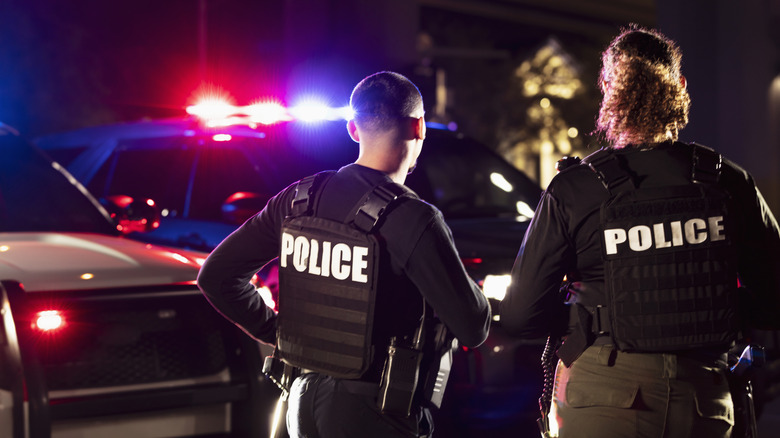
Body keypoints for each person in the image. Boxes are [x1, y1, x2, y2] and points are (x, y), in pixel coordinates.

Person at [501, 25, 780, 438]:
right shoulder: (727, 181)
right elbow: (774, 297)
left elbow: (519, 314)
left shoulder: (576, 189)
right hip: (704, 397)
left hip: (602, 395)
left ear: (609, 93)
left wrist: (590, 317)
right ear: (680, 87)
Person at [197, 71, 490, 438]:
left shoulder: (299, 198)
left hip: (300, 403)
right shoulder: (414, 217)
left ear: (353, 129)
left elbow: (216, 276)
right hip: (376, 411)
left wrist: (278, 333)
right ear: (418, 127)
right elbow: (473, 326)